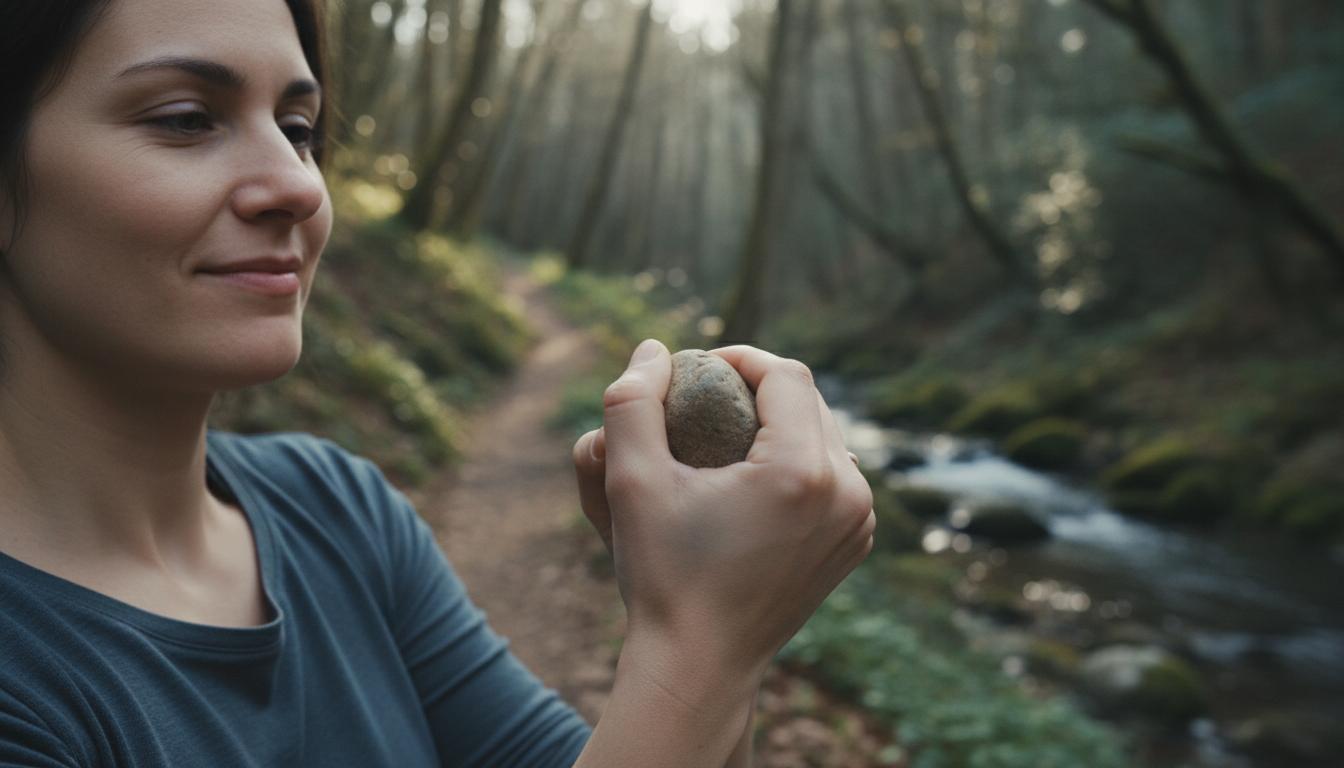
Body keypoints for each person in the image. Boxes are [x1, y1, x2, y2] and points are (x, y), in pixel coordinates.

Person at [0, 0, 876, 765]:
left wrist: (717, 638)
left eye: (299, 129)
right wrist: (706, 645)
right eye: (188, 118)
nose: (296, 185)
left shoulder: (339, 513)